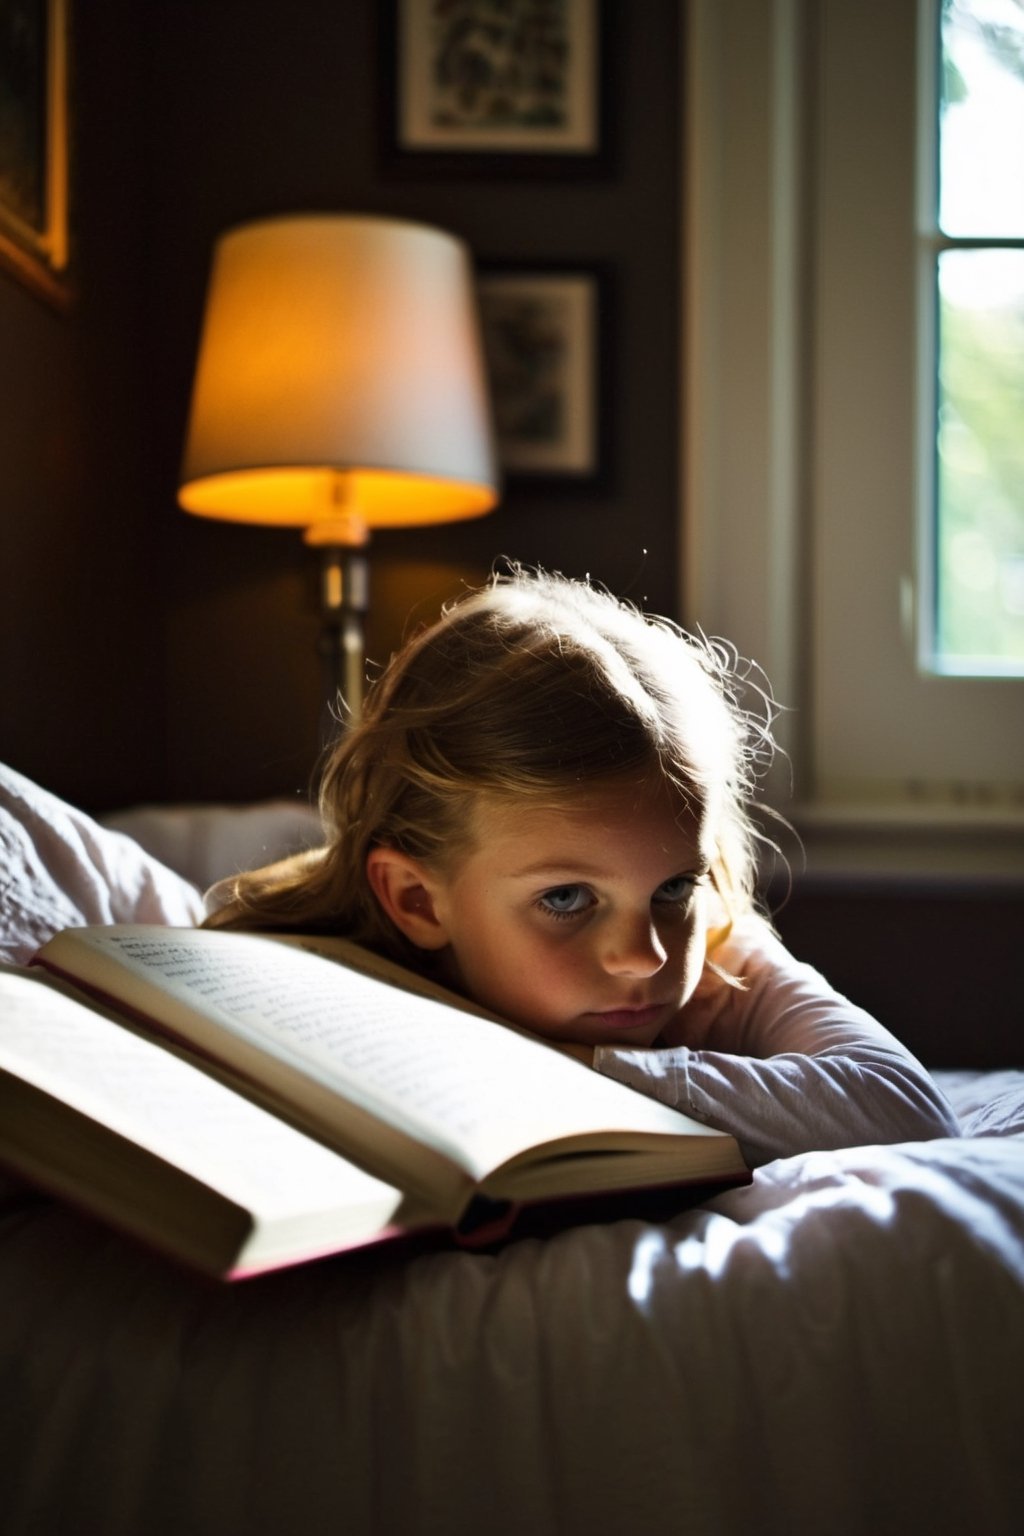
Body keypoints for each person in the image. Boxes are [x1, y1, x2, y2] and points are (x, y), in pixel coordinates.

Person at [206, 567, 958, 1165]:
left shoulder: (721, 949)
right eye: (567, 899)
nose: (646, 956)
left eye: (672, 887)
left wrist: (563, 1069)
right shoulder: (320, 976)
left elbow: (901, 1106)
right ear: (416, 901)